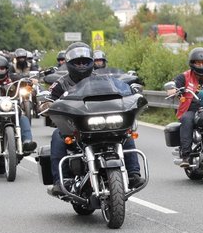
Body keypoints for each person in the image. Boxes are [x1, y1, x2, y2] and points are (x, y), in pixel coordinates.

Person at [45, 43, 144, 195]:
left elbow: (119, 93)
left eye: (85, 62)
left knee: (126, 133)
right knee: (57, 137)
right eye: (78, 62)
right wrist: (47, 105)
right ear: (69, 64)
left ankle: (133, 174)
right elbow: (47, 101)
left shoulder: (103, 80)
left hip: (101, 123)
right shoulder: (61, 83)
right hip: (75, 127)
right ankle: (61, 180)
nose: (82, 65)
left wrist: (131, 94)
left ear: (91, 62)